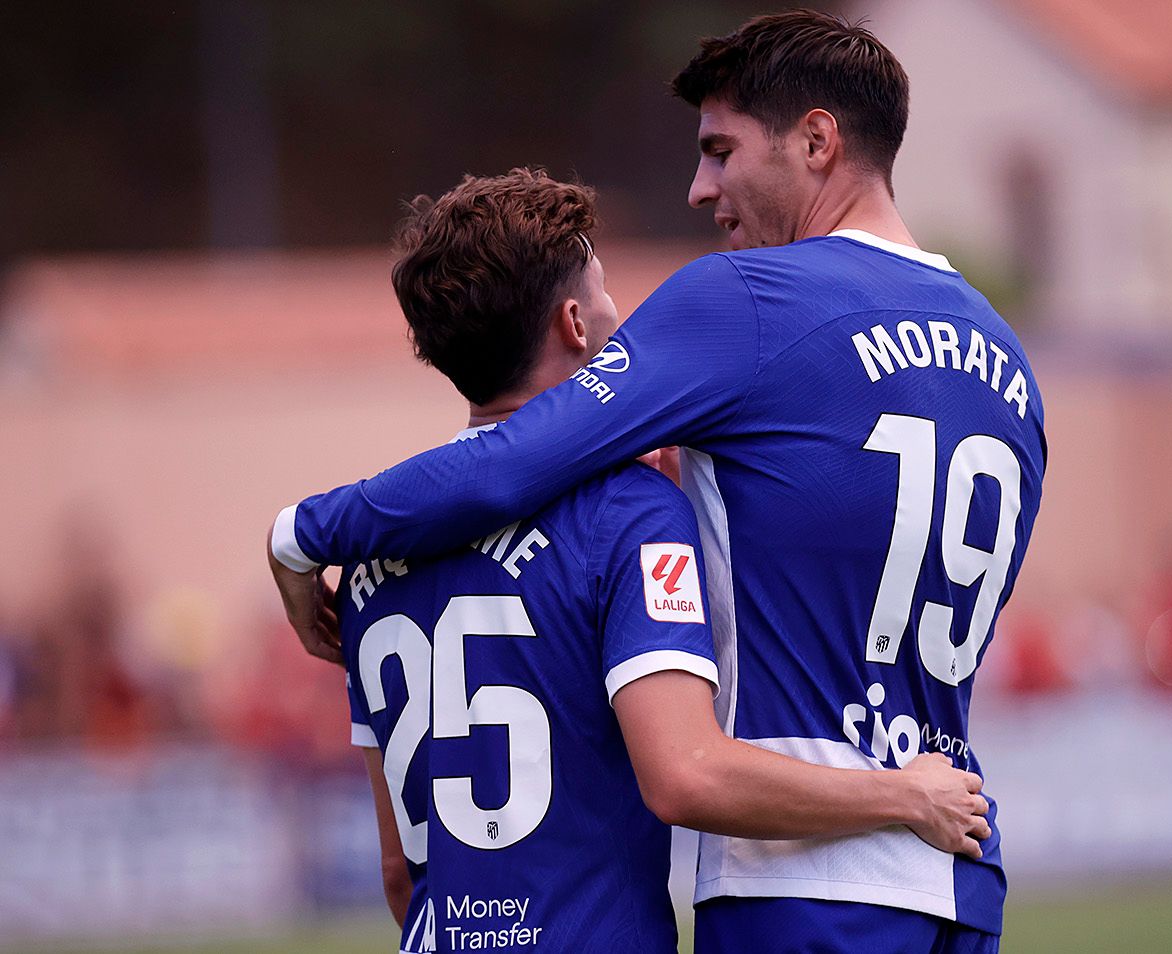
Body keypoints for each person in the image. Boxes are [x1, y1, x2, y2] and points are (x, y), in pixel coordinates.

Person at [269, 12, 1046, 953]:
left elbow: (512, 462)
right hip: (956, 865)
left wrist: (307, 533)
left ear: (815, 140)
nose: (698, 188)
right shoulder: (1004, 356)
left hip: (801, 880)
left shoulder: (746, 303)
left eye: (720, 151)